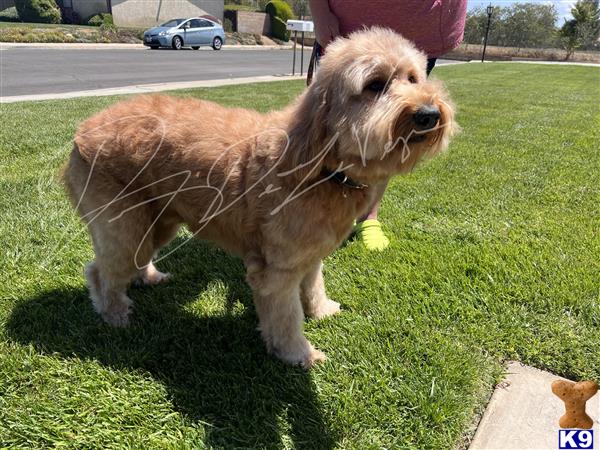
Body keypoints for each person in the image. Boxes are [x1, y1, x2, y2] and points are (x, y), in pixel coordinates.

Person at [308, 0, 467, 250]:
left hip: (422, 29)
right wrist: (320, 12)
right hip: (348, 20)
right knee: (324, 130)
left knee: (392, 136)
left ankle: (368, 215)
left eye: (414, 81)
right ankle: (311, 213)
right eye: (377, 86)